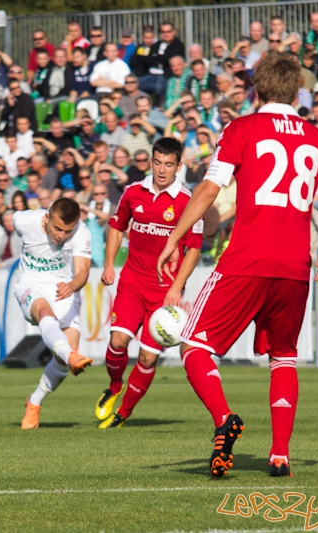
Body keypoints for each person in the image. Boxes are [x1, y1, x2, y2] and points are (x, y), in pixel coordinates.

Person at [157, 52, 318, 478]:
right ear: (297, 90)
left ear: (256, 88)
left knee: (194, 345)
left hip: (246, 258)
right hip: (293, 264)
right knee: (284, 356)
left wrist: (173, 237)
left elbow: (210, 189)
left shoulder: (243, 128)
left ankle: (224, 418)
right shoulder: (317, 137)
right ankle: (280, 454)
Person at [96, 138, 203, 428]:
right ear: (151, 161)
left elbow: (194, 248)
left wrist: (176, 287)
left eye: (169, 164)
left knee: (146, 358)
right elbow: (117, 226)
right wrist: (109, 265)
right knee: (118, 341)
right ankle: (115, 385)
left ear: (179, 166)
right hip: (132, 282)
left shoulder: (188, 202)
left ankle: (124, 413)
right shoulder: (133, 192)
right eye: (157, 162)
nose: (162, 169)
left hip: (163, 293)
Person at [18, 198, 93, 429]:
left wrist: (71, 285)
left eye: (67, 231)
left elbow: (82, 272)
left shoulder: (81, 232)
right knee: (44, 312)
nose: (61, 235)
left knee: (62, 362)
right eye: (57, 228)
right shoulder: (25, 221)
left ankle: (34, 402)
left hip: (64, 287)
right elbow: (10, 218)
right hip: (31, 283)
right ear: (47, 217)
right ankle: (70, 355)